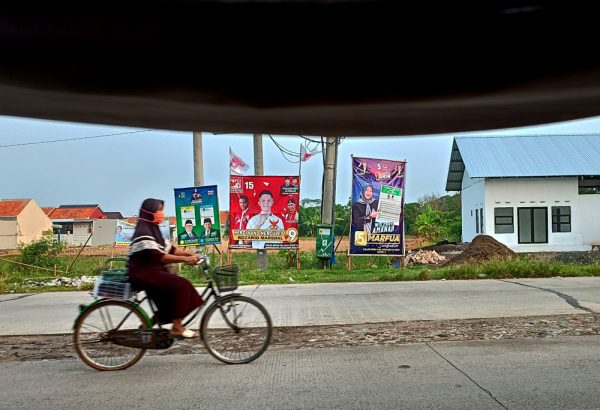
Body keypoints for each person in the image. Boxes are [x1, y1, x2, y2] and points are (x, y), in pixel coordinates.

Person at [127, 198, 203, 338]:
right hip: (144, 273)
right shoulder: (143, 231)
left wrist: (190, 253)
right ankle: (177, 326)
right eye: (158, 210)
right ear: (149, 212)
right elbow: (160, 256)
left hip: (152, 271)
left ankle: (149, 325)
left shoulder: (153, 229)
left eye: (161, 209)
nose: (161, 213)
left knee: (169, 295)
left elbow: (170, 249)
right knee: (182, 285)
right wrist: (186, 259)